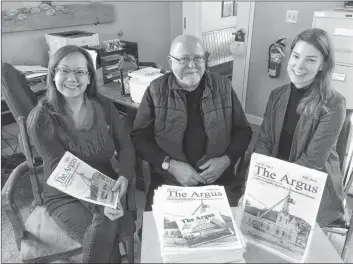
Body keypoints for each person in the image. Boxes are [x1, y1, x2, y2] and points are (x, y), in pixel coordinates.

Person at [27, 45, 136, 263]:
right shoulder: (41, 118)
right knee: (107, 236)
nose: (72, 78)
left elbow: (125, 144)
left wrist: (124, 175)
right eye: (64, 70)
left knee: (111, 230)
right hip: (64, 193)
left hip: (106, 185)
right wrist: (102, 205)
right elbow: (63, 170)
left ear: (89, 78)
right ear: (53, 74)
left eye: (80, 71)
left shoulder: (104, 106)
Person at [131, 34, 253, 210]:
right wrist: (170, 165)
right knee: (156, 235)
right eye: (184, 59)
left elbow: (243, 130)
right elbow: (139, 137)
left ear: (205, 58)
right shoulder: (155, 90)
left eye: (198, 58)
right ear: (170, 61)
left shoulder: (223, 86)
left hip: (219, 181)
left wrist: (225, 161)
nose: (192, 65)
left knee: (228, 233)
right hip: (170, 181)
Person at [254, 28, 346, 227]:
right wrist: (257, 175)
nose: (299, 65)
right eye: (296, 56)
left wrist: (274, 186)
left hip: (311, 187)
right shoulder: (276, 95)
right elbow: (264, 140)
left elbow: (312, 162)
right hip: (275, 178)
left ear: (323, 65)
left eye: (311, 60)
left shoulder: (333, 104)